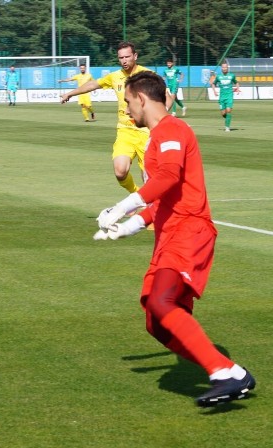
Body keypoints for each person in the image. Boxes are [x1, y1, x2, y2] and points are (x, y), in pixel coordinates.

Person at [93, 71, 256, 408]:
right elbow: (163, 198)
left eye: (127, 103)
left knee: (162, 303)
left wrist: (123, 206)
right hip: (169, 236)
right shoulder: (156, 139)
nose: (126, 110)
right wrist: (129, 226)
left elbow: (169, 177)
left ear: (141, 98)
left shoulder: (173, 129)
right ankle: (231, 372)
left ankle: (220, 373)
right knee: (156, 321)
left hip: (188, 231)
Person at [60, 41, 150, 193]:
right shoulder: (115, 77)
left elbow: (164, 98)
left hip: (146, 132)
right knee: (120, 171)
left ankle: (153, 207)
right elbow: (92, 85)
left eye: (127, 56)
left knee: (148, 177)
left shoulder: (147, 75)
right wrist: (70, 93)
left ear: (135, 56)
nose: (124, 60)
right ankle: (137, 196)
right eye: (121, 57)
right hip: (125, 131)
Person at [210, 61, 239, 132]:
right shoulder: (219, 76)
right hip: (222, 97)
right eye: (223, 67)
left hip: (229, 96)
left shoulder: (232, 75)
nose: (224, 68)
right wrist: (214, 91)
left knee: (228, 110)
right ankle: (228, 119)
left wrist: (237, 89)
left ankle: (227, 127)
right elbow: (213, 84)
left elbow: (236, 82)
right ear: (221, 68)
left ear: (227, 68)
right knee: (223, 113)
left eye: (226, 67)